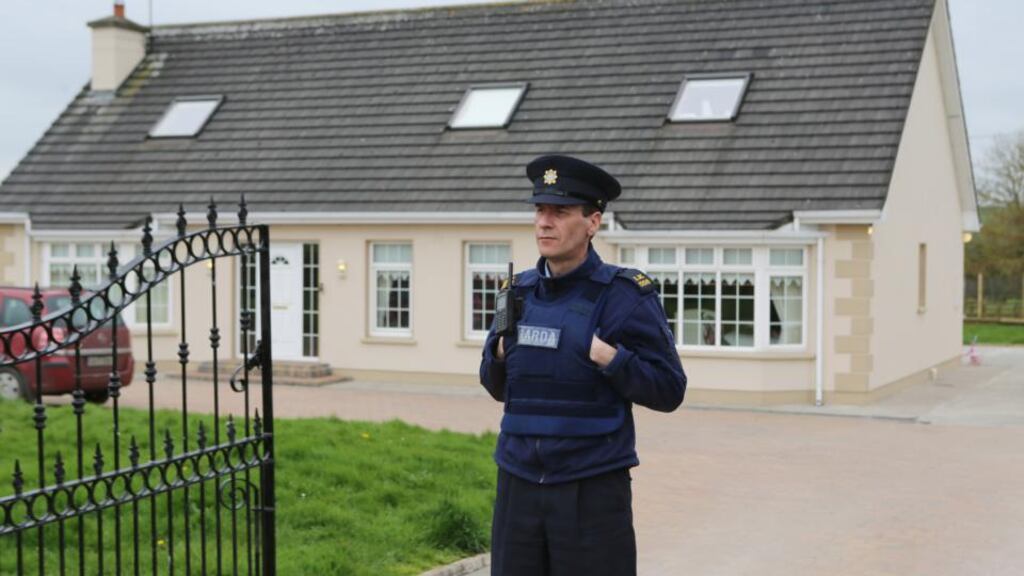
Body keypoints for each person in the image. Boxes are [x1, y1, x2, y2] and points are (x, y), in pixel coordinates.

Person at [479, 154, 687, 576]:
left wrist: (612, 359)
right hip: (518, 483)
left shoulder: (626, 296)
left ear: (593, 222)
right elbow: (497, 386)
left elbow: (669, 389)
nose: (544, 222)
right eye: (540, 210)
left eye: (560, 212)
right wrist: (498, 355)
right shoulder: (517, 291)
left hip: (590, 488)